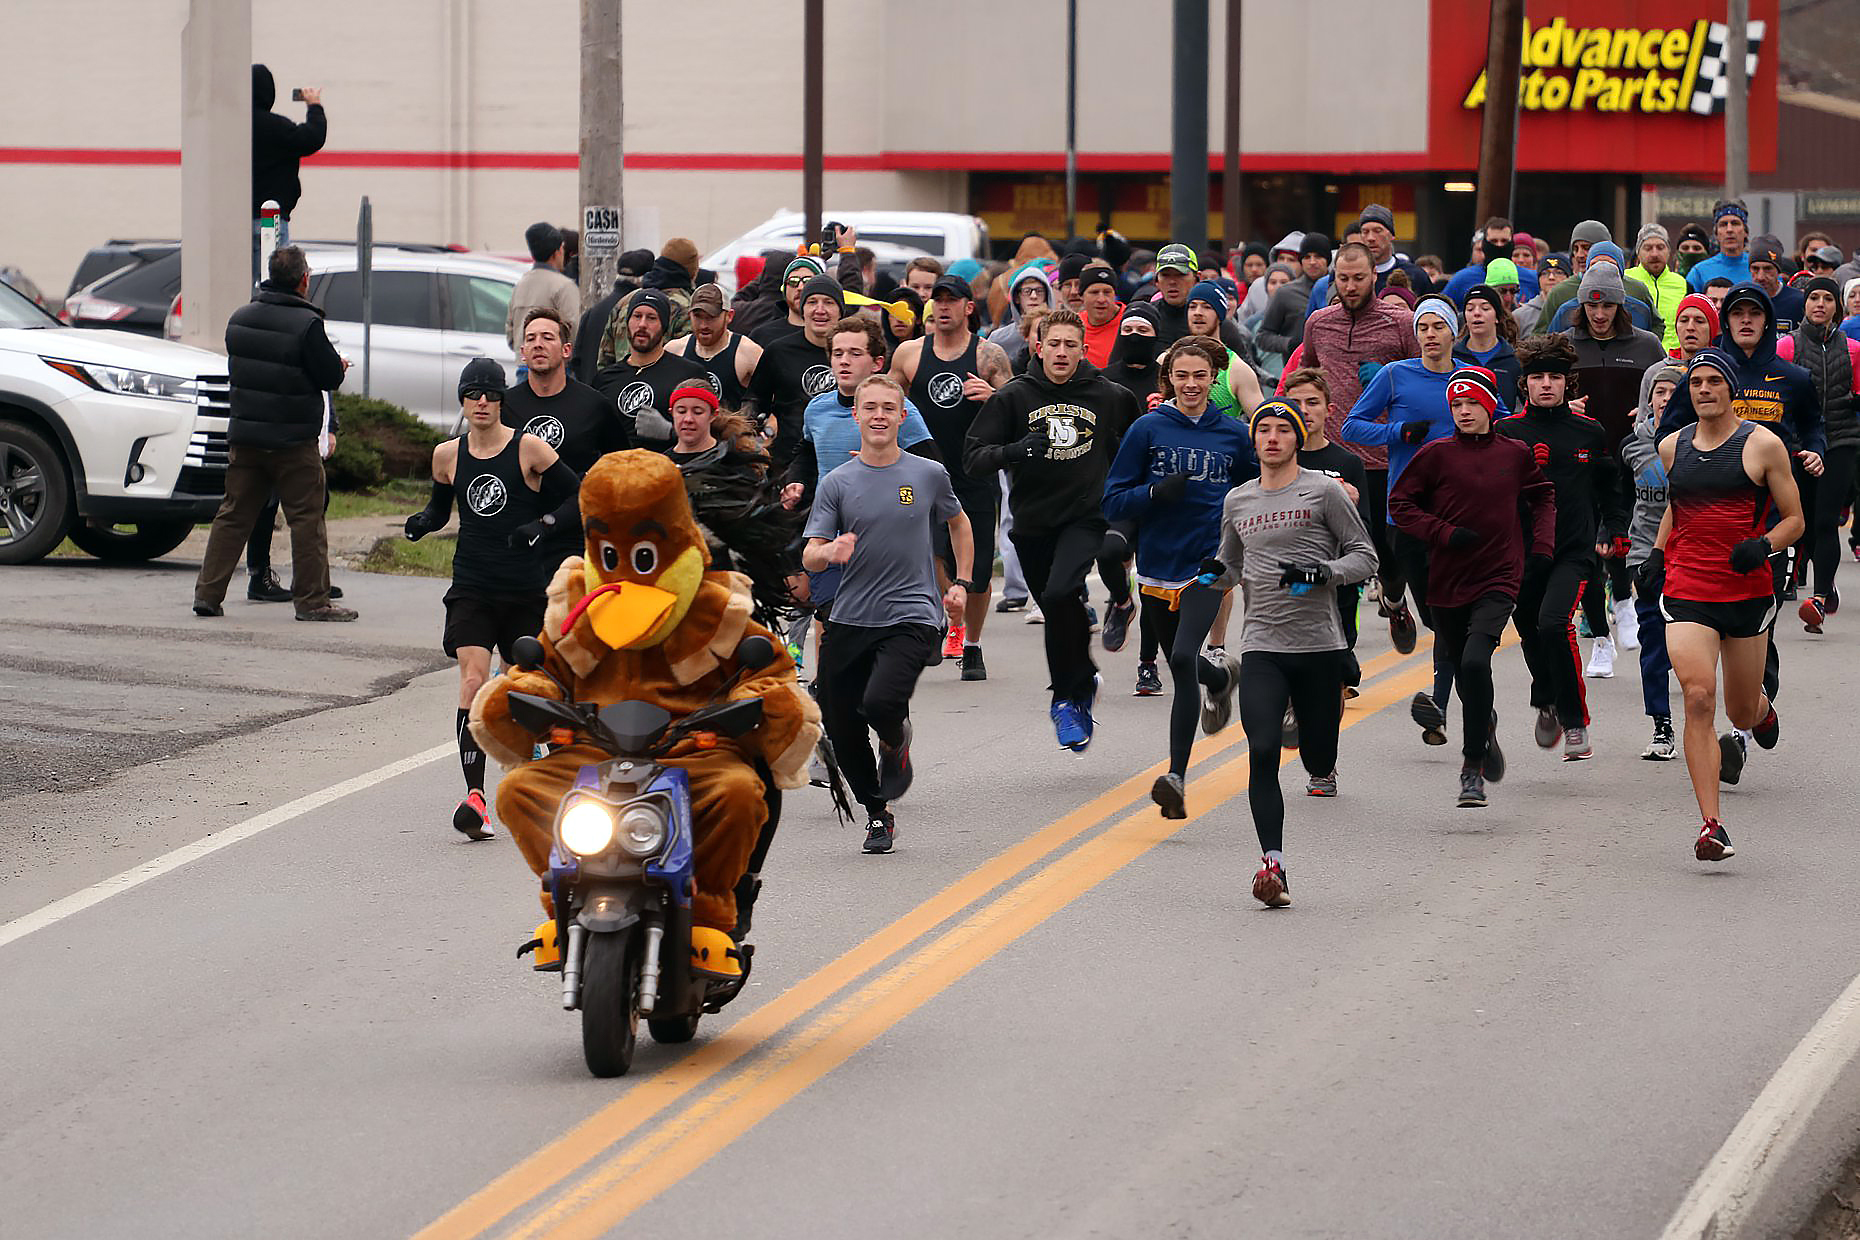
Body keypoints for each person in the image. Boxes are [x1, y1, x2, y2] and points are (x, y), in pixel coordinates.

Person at [473, 450, 819, 976]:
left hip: (692, 752)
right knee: (518, 790)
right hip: (592, 750)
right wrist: (527, 690)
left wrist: (762, 701)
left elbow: (767, 670)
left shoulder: (717, 608)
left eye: (642, 555)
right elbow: (546, 666)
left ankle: (711, 914)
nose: (626, 571)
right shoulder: (577, 607)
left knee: (739, 792)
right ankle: (564, 900)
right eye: (609, 553)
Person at [1198, 400, 1376, 905]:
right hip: (1262, 647)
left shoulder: (1323, 492)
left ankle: (1321, 756)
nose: (1272, 438)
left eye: (1283, 430)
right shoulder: (1238, 500)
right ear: (1253, 441)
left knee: (1317, 752)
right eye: (1264, 430)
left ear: (1298, 438)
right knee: (1260, 750)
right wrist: (1211, 576)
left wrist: (1322, 573)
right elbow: (1231, 564)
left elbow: (1365, 557)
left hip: (1319, 646)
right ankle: (1271, 864)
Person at [403, 356, 581, 838]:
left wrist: (541, 525)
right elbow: (440, 511)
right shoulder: (447, 455)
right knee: (473, 681)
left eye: (491, 394)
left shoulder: (529, 449)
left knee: (526, 687)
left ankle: (545, 765)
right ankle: (476, 797)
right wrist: (423, 523)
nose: (482, 402)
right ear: (462, 400)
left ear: (502, 400)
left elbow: (579, 497)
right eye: (473, 394)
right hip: (473, 587)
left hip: (523, 590)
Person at [1643, 349, 1803, 860]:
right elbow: (1677, 504)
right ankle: (1712, 825)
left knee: (1738, 706)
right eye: (1696, 382)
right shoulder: (1672, 446)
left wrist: (1765, 545)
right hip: (1688, 587)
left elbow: (1794, 519)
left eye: (1714, 381)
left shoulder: (1763, 446)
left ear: (1731, 389)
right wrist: (1657, 552)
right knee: (1697, 697)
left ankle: (1760, 710)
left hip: (1747, 592)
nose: (1704, 389)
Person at [803, 375, 972, 853]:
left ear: (902, 416)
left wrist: (960, 582)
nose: (878, 415)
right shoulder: (837, 483)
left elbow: (959, 522)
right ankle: (878, 814)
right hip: (852, 616)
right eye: (869, 407)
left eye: (888, 408)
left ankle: (895, 742)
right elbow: (810, 554)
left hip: (913, 613)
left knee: (879, 704)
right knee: (840, 723)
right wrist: (829, 550)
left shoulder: (927, 474)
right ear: (855, 416)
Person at [966, 308, 1136, 752]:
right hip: (1032, 524)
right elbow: (974, 457)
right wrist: (1015, 450)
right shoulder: (1014, 397)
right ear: (1038, 348)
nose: (1062, 353)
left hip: (1086, 517)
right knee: (1060, 614)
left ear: (1083, 349)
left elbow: (1136, 445)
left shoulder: (1108, 395)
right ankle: (1083, 680)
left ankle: (1066, 701)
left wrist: (1131, 502)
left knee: (1062, 594)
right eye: (1054, 344)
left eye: (1071, 345)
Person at [1102, 337, 1259, 817]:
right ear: (1168, 378)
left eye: (1200, 376)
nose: (1191, 385)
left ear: (1215, 379)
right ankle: (1221, 676)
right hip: (1156, 565)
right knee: (1182, 664)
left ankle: (1176, 775)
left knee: (1185, 654)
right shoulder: (1148, 429)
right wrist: (1153, 493)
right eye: (1181, 376)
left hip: (1209, 563)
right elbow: (1114, 499)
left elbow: (1258, 487)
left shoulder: (1233, 434)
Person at [1389, 365, 1556, 808]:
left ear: (1489, 406)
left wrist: (1542, 545)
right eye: (1456, 405)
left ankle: (1471, 768)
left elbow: (1542, 494)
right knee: (1464, 672)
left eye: (1471, 403)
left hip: (1500, 574)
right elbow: (1400, 504)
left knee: (1477, 660)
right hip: (1447, 578)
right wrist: (1442, 533)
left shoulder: (1515, 452)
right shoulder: (1435, 455)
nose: (1463, 411)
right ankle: (1485, 724)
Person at [193, 245, 354, 622]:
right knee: (306, 519)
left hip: (246, 437)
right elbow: (328, 375)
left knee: (233, 515)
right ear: (303, 280)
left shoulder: (240, 319)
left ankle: (208, 594)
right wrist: (339, 366)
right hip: (292, 440)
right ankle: (313, 601)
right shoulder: (307, 325)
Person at [1498, 335, 1627, 760]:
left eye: (1555, 377)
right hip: (1522, 553)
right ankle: (1547, 697)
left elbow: (1609, 486)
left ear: (1567, 384)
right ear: (1525, 385)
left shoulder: (1588, 432)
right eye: (1538, 377)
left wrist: (1615, 528)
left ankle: (1574, 722)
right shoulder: (1507, 433)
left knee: (1555, 624)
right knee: (1531, 630)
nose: (1547, 385)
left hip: (1573, 550)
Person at [1341, 294, 1462, 736]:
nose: (1431, 336)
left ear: (1454, 332)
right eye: (1424, 328)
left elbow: (1502, 423)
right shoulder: (1396, 376)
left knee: (1448, 615)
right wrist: (1398, 432)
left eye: (1438, 327)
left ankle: (1441, 703)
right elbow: (1352, 425)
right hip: (1406, 512)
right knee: (1435, 615)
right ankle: (1453, 694)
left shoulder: (1470, 378)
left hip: (1458, 510)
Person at [893, 274, 1015, 677]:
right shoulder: (909, 354)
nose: (943, 306)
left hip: (974, 472)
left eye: (952, 299)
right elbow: (883, 403)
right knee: (925, 549)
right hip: (919, 473)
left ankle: (973, 643)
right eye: (938, 300)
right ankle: (949, 610)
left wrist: (994, 397)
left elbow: (1019, 407)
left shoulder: (988, 356)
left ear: (968, 307)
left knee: (979, 570)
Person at [1304, 242, 1422, 645]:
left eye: (1358, 278)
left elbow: (1423, 375)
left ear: (1376, 277)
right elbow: (1309, 376)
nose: (1351, 286)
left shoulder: (1400, 322)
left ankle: (1393, 599)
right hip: (1335, 454)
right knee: (1340, 556)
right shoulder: (1319, 322)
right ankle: (1342, 655)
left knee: (1389, 554)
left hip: (1388, 455)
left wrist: (1390, 376)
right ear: (1332, 278)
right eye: (1343, 278)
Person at [1565, 261, 1666, 675]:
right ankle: (1601, 641)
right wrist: (1562, 407)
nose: (1599, 314)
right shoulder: (1565, 344)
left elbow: (1668, 391)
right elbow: (1535, 392)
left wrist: (1646, 415)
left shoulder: (1645, 346)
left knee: (1621, 540)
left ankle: (1624, 601)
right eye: (1592, 307)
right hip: (1581, 458)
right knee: (1586, 548)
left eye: (1607, 305)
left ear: (1620, 306)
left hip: (1628, 459)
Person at [500, 307, 624, 575]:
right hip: (520, 532)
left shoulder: (594, 405)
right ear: (523, 352)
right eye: (531, 339)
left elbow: (618, 465)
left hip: (575, 534)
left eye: (547, 337)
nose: (538, 345)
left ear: (566, 350)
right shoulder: (506, 405)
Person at [1777, 276, 1860, 631]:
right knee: (1804, 523)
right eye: (1814, 298)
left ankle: (1820, 598)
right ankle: (1819, 579)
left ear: (1836, 308)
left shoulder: (1854, 349)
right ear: (1805, 304)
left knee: (1826, 521)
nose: (1820, 304)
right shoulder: (1786, 347)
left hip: (1841, 442)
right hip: (1799, 445)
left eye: (1827, 298)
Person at [1283, 367, 1370, 693]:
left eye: (1312, 402)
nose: (1304, 411)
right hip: (1288, 573)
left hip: (1335, 576)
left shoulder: (1348, 463)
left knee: (1336, 655)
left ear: (1328, 409)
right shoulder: (1276, 459)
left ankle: (1342, 670)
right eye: (1295, 403)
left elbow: (1363, 526)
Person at [1621, 360, 1683, 759]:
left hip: (1692, 553)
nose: (1665, 399)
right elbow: (1620, 496)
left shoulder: (1704, 441)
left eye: (1672, 392)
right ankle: (1661, 725)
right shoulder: (1634, 443)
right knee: (1653, 640)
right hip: (1645, 552)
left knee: (1694, 644)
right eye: (1658, 392)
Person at [591, 289, 707, 454]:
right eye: (637, 316)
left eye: (652, 318)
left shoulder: (688, 373)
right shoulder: (605, 378)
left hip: (670, 472)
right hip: (617, 473)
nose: (642, 324)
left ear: (664, 326)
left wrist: (671, 432)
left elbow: (711, 432)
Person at [250, 66, 325, 279]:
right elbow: (313, 138)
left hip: (235, 218)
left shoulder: (230, 127)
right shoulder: (278, 128)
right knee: (276, 281)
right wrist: (314, 106)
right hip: (272, 218)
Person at [666, 283, 762, 414]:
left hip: (730, 432)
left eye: (711, 317)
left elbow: (779, 397)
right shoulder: (674, 350)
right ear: (689, 315)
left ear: (729, 316)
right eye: (698, 316)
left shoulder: (748, 352)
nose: (704, 325)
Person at [1255, 233, 1331, 374]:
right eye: (1307, 257)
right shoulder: (1286, 293)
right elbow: (1262, 337)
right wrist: (1289, 344)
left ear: (1328, 260)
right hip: (1297, 374)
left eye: (1318, 256)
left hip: (1333, 371)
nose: (1312, 262)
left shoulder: (1340, 288)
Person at [504, 222, 580, 350]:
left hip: (524, 362)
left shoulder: (520, 285)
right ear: (558, 252)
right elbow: (574, 330)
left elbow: (510, 332)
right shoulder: (565, 286)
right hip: (554, 365)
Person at [1442, 217, 1541, 306]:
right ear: (1485, 244)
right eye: (1493, 241)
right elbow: (1440, 309)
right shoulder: (1462, 279)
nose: (1499, 246)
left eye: (1504, 241)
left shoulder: (1532, 279)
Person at [1451, 283, 1521, 407]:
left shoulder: (1514, 359)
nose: (1476, 313)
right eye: (1470, 309)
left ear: (1497, 317)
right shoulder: (1453, 357)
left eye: (1485, 308)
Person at [1627, 224, 1688, 353]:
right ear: (1638, 253)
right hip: (1635, 355)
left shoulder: (1682, 283)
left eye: (1660, 247)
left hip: (1674, 359)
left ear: (1669, 252)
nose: (1655, 254)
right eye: (1648, 248)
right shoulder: (1626, 280)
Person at [1687, 200, 1753, 293]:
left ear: (1746, 231)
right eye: (1723, 225)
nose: (1729, 230)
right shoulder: (1699, 272)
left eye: (1735, 223)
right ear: (1716, 233)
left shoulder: (1758, 269)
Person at [1748, 237, 1806, 333]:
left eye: (1767, 269)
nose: (1760, 276)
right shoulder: (1744, 301)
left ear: (1778, 271)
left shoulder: (1798, 301)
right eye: (1755, 269)